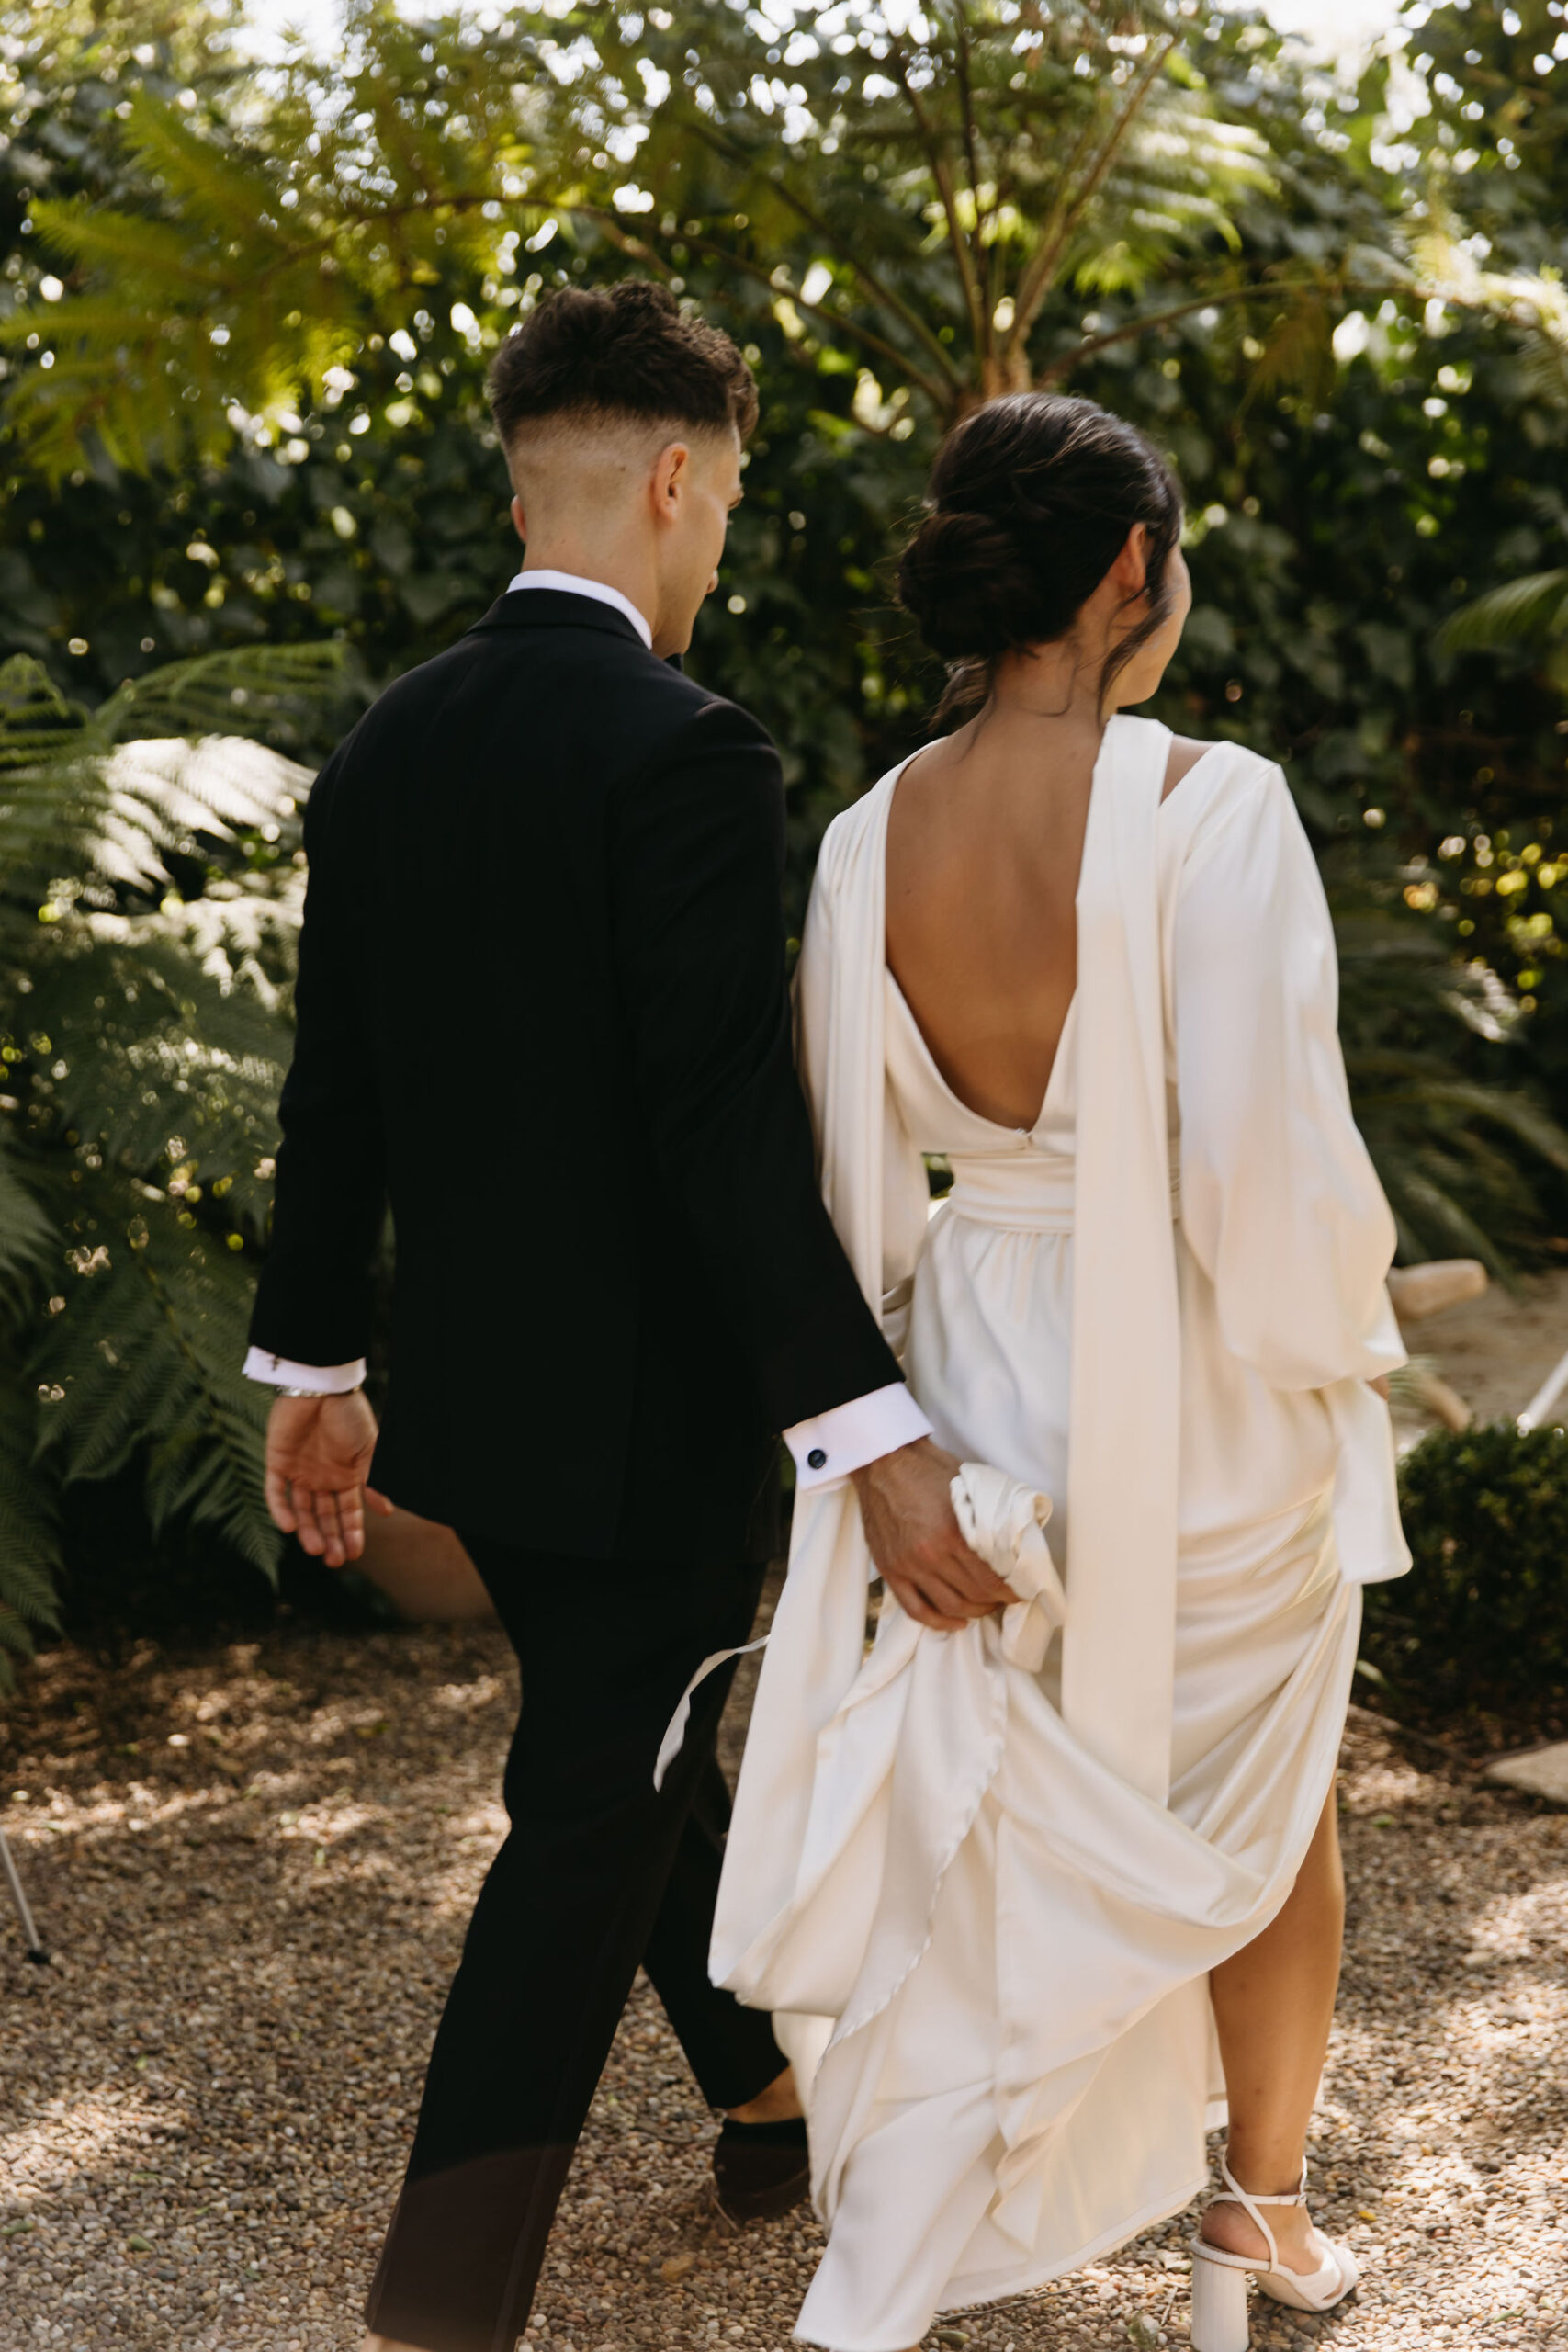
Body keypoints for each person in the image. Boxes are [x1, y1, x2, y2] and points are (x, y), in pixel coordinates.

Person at [243, 280, 1011, 2352]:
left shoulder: (389, 739)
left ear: (526, 475)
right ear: (675, 477)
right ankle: (438, 2295)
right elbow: (717, 1134)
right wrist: (870, 1427)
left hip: (475, 1411)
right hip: (649, 1425)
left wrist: (315, 1370)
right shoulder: (687, 749)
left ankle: (761, 2098)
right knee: (595, 1793)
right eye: (732, 494)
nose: (723, 533)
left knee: (624, 1720)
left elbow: (338, 1095)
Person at [708, 392, 1411, 2352]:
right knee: (1262, 1818)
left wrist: (878, 1446)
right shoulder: (1212, 805)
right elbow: (1270, 1170)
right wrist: (1333, 1350)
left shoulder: (866, 839)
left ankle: (928, 2204)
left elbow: (837, 1181)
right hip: (1186, 1375)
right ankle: (1246, 2217)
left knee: (990, 1818)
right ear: (1127, 570)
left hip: (965, 1380)